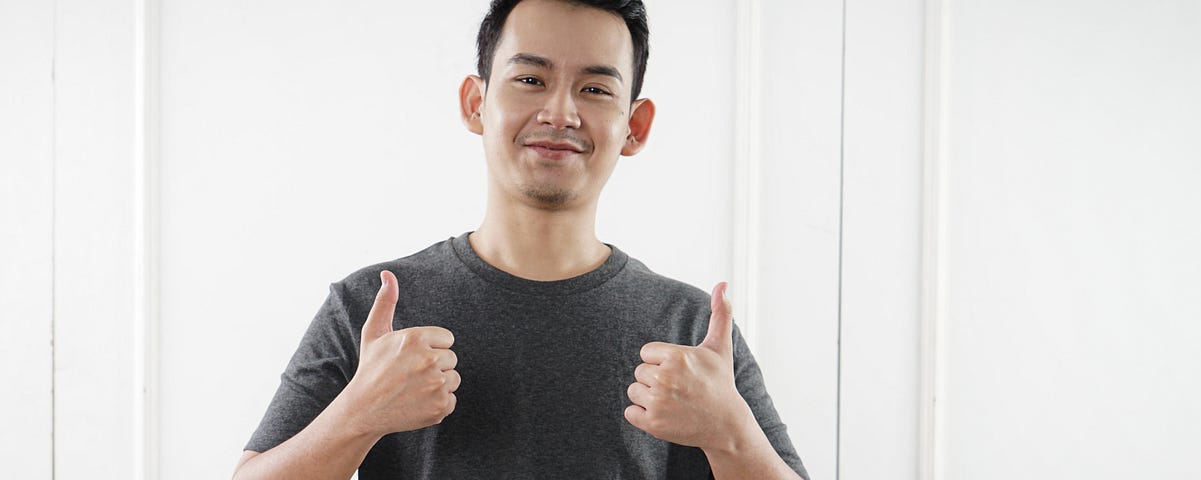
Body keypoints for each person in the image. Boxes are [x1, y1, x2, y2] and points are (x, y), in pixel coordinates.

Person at [232, 0, 807, 478]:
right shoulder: (372, 306)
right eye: (530, 80)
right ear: (476, 103)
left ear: (636, 126)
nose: (560, 112)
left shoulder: (691, 328)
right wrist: (356, 415)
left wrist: (731, 435)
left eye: (596, 89)